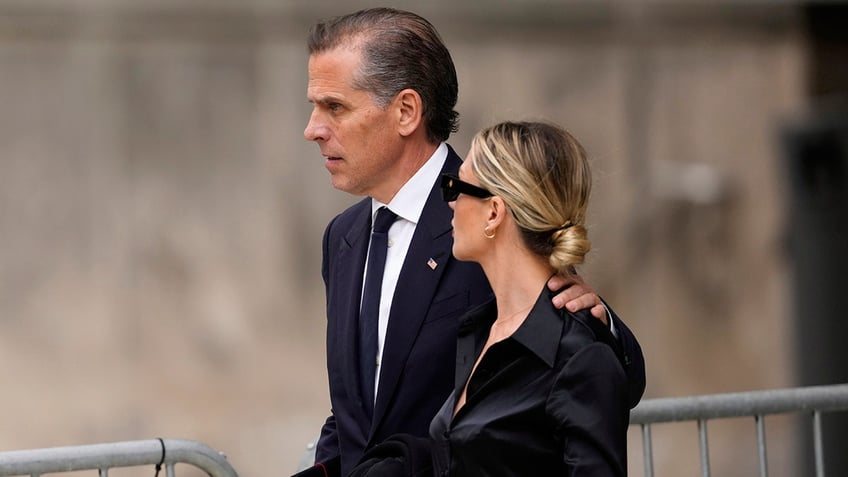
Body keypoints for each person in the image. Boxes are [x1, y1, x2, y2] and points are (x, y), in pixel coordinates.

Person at [299, 8, 645, 477]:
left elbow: (592, 372)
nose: (313, 128)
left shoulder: (489, 222)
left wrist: (598, 317)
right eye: (314, 106)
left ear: (405, 111)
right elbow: (356, 414)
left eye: (334, 106)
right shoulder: (342, 238)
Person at [427, 120, 630, 475]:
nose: (451, 203)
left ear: (493, 212)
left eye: (456, 186)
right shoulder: (481, 331)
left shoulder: (577, 354)